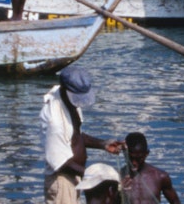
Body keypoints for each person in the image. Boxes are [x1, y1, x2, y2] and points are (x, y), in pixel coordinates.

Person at [41, 66, 123, 204]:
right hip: (62, 181)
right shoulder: (55, 121)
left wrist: (103, 144)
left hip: (74, 177)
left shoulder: (69, 102)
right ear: (65, 89)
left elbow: (76, 136)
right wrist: (94, 176)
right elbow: (60, 163)